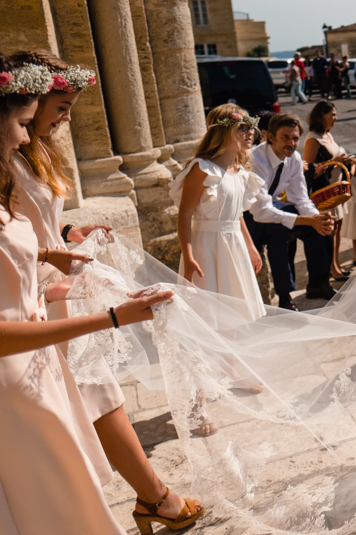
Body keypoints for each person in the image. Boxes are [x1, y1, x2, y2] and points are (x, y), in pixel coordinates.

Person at [9, 52, 205, 531]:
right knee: (96, 395)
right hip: (32, 299)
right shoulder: (8, 159)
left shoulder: (33, 151)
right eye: (59, 107)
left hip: (57, 284)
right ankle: (151, 498)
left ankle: (151, 497)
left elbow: (36, 222)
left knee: (98, 394)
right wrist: (48, 258)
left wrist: (69, 231)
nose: (64, 119)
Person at [174, 104, 266, 322]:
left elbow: (236, 215)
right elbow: (185, 213)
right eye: (243, 127)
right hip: (207, 246)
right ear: (224, 130)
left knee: (233, 313)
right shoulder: (203, 168)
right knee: (210, 314)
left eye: (251, 126)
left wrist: (251, 247)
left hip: (234, 246)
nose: (250, 131)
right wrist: (188, 256)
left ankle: (231, 357)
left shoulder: (240, 171)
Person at [244, 113, 337, 309]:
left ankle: (318, 284)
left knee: (320, 228)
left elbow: (300, 198)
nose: (291, 143)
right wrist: (306, 220)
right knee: (278, 232)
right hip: (248, 214)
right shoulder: (256, 159)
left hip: (271, 206)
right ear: (270, 137)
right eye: (285, 137)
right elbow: (261, 211)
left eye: (295, 138)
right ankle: (284, 297)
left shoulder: (294, 158)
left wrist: (316, 218)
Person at [303, 101, 354, 281]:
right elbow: (308, 168)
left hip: (336, 189)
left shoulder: (328, 135)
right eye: (332, 114)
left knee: (338, 228)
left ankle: (336, 264)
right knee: (330, 230)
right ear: (321, 115)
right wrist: (334, 160)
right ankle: (330, 268)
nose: (335, 118)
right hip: (325, 191)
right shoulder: (313, 139)